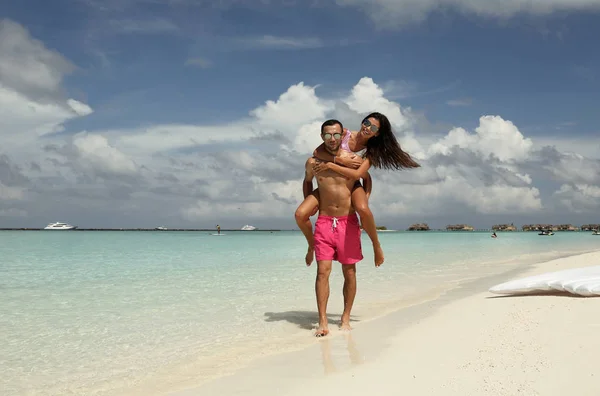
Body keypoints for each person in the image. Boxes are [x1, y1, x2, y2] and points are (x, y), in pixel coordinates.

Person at [295, 112, 420, 267]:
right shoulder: (345, 134)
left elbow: (361, 175)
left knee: (363, 209)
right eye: (367, 123)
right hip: (329, 184)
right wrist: (338, 160)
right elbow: (317, 152)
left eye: (373, 127)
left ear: (377, 133)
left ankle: (376, 245)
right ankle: (312, 244)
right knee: (300, 214)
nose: (367, 128)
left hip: (353, 183)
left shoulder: (372, 150)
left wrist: (332, 165)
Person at [302, 119, 363, 337]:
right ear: (322, 137)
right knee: (322, 272)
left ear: (342, 135)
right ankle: (323, 321)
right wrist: (310, 202)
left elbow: (365, 179)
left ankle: (345, 317)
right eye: (327, 135)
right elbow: (307, 181)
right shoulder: (312, 162)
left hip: (348, 222)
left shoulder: (352, 160)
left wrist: (364, 206)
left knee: (349, 272)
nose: (332, 139)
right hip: (325, 221)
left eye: (336, 134)